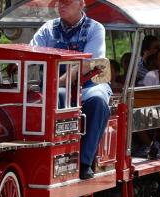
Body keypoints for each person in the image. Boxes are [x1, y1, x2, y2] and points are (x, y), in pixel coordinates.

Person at [30, 0, 111, 180]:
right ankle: (48, 153)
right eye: (60, 2)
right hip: (53, 84)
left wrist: (56, 83)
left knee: (98, 100)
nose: (62, 5)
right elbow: (32, 53)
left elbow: (87, 64)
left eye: (67, 1)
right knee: (45, 98)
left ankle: (84, 162)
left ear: (81, 3)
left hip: (90, 84)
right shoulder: (47, 29)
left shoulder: (95, 28)